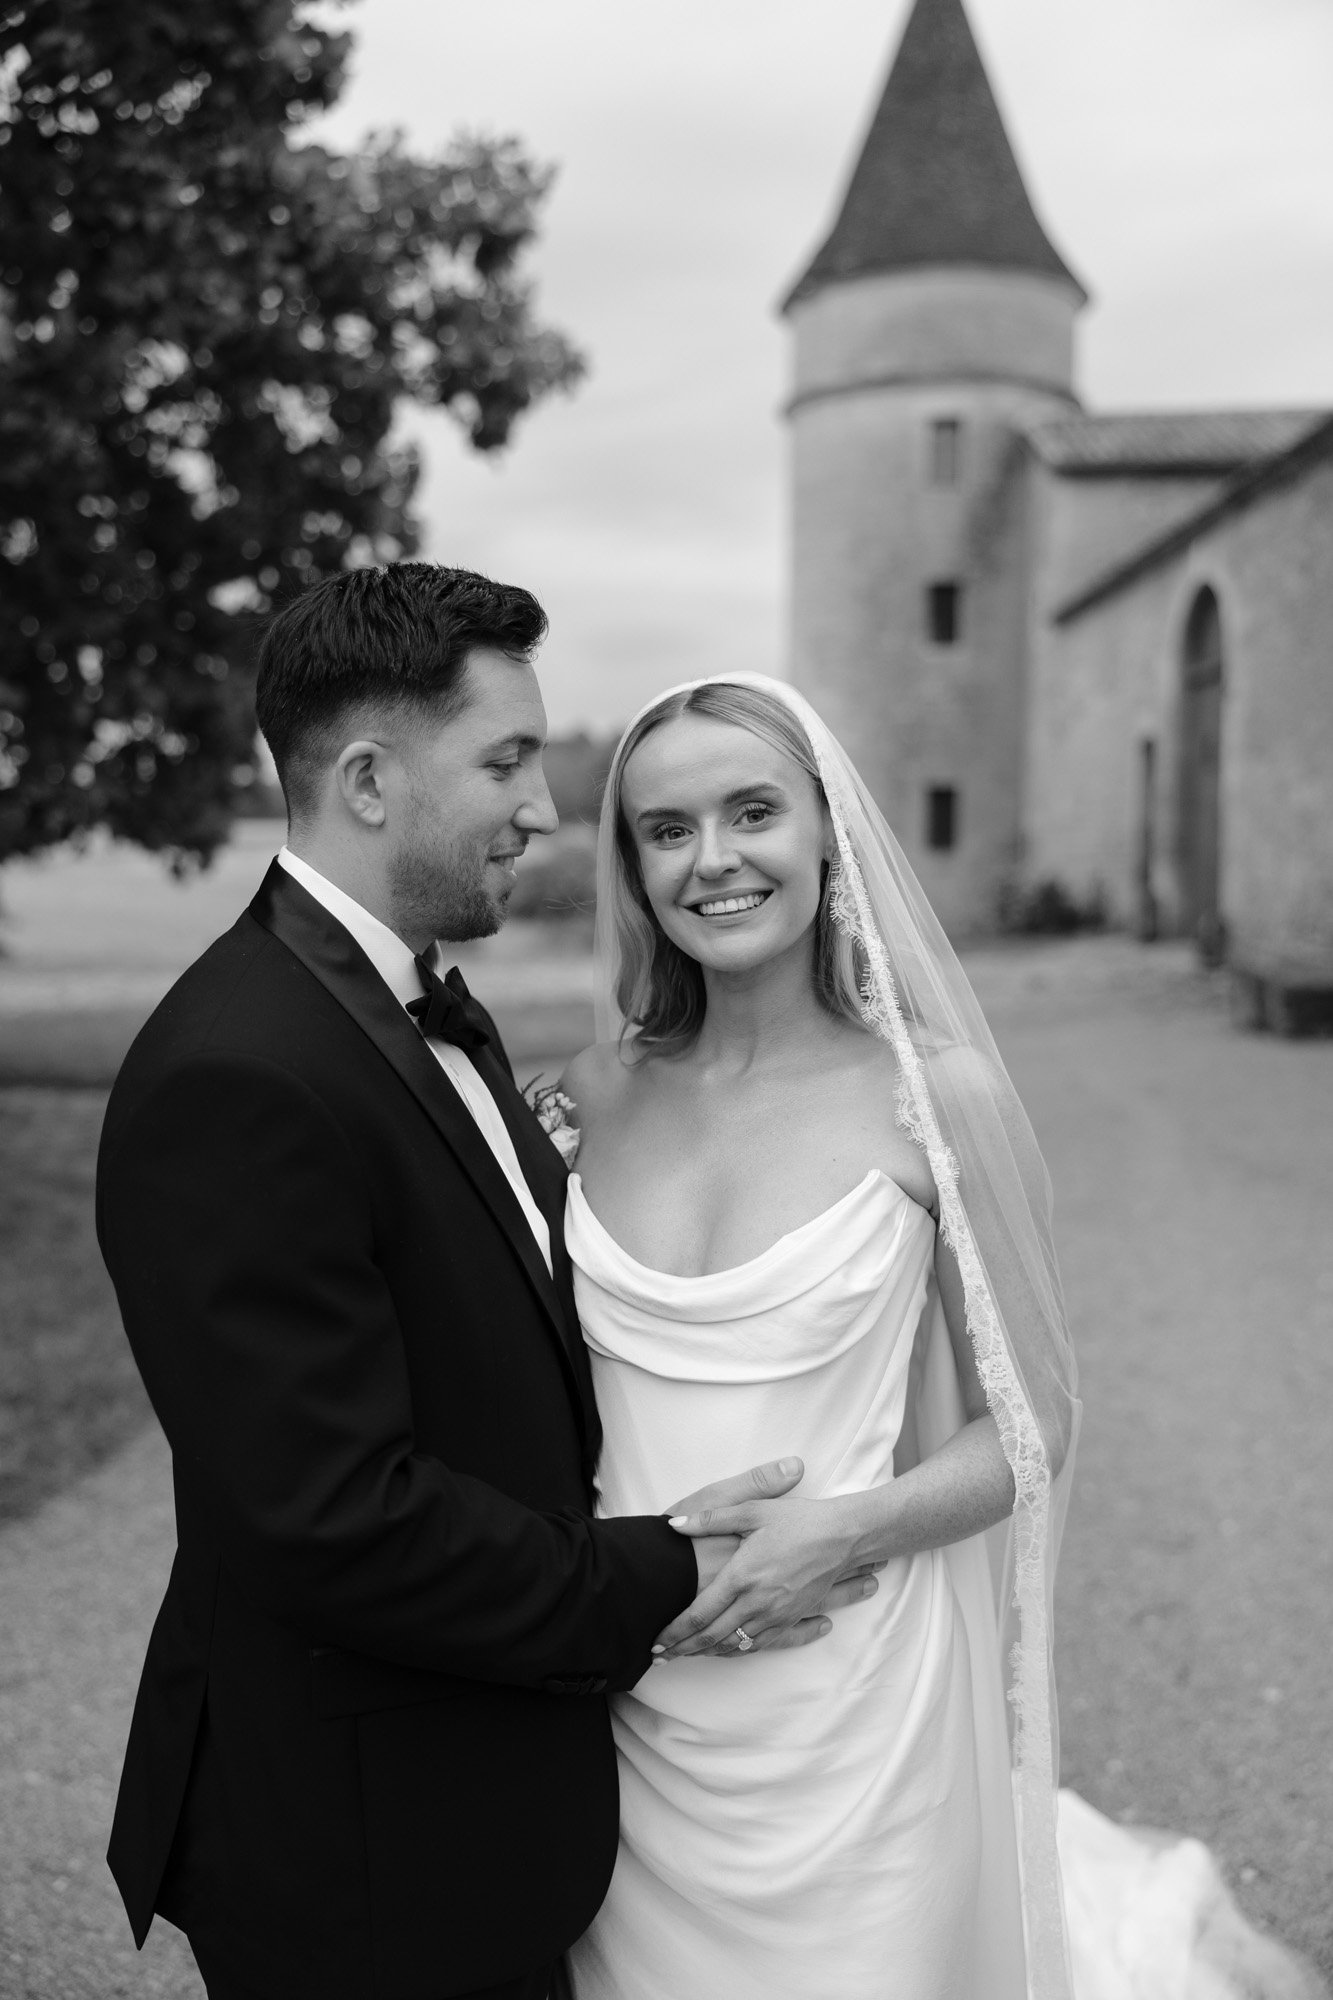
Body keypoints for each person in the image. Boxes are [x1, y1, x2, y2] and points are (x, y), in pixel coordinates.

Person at [96, 573, 870, 2000]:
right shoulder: (237, 1070)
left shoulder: (404, 1006)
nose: (545, 810)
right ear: (372, 780)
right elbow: (336, 1519)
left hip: (486, 1786)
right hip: (366, 1839)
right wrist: (673, 1570)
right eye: (506, 762)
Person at [560, 675, 1082, 2000]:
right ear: (630, 865)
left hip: (849, 1718)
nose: (714, 860)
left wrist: (840, 1533)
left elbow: (1032, 1425)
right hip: (623, 1704)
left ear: (827, 833)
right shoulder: (586, 1092)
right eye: (665, 829)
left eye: (752, 812)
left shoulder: (931, 1098)